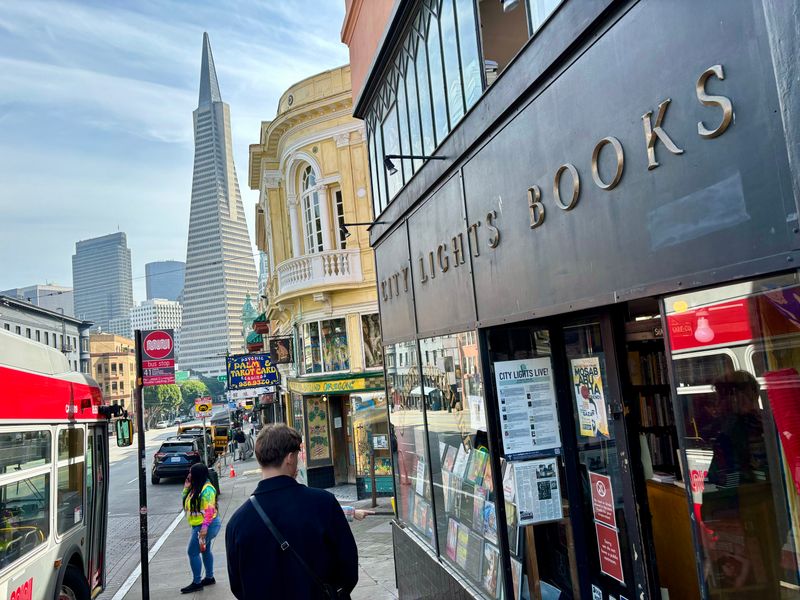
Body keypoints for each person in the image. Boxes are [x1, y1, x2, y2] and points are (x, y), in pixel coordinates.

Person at [226, 424, 358, 599]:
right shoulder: (323, 503)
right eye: (297, 456)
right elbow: (348, 566)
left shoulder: (237, 523)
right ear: (289, 458)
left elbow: (238, 586)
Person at [180, 463, 222, 594]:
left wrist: (204, 529)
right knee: (205, 550)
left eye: (191, 472)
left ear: (197, 474)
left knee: (192, 552)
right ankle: (209, 577)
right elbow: (185, 502)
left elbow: (209, 510)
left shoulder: (207, 489)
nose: (189, 475)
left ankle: (197, 582)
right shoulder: (196, 487)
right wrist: (186, 488)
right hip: (199, 525)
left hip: (205, 526)